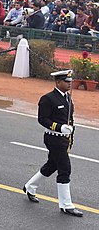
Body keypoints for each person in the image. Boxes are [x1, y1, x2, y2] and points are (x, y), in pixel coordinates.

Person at [22, 70, 83, 217]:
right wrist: (59, 127)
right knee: (65, 168)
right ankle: (66, 205)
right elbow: (42, 119)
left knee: (52, 165)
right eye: (66, 81)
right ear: (57, 82)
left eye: (70, 81)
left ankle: (30, 186)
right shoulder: (48, 99)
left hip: (64, 139)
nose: (69, 84)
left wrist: (70, 133)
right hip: (53, 138)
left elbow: (69, 119)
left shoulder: (68, 98)